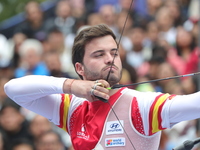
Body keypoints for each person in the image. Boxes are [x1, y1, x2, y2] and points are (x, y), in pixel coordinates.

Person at [4, 24, 200, 150]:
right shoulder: (71, 107)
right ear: (79, 68)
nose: (109, 59)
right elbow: (13, 89)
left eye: (114, 53)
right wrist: (73, 86)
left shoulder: (142, 105)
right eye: (98, 54)